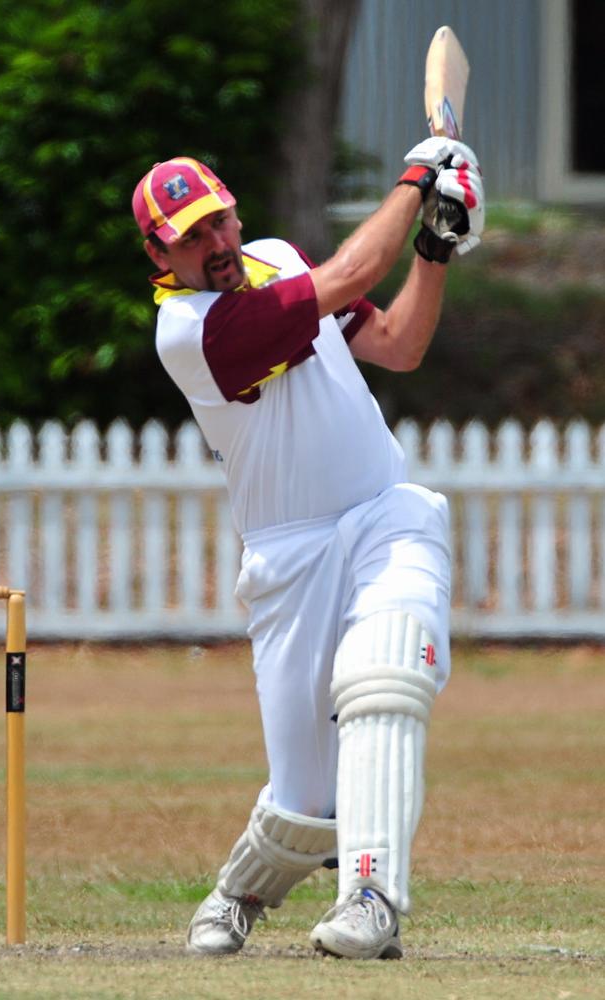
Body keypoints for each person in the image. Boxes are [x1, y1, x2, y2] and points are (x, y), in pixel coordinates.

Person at [131, 141, 484, 960]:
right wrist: (416, 179)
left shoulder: (275, 258)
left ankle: (372, 899)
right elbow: (353, 275)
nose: (216, 243)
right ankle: (239, 890)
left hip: (383, 514)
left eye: (219, 220)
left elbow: (397, 343)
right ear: (159, 255)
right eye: (191, 236)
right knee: (305, 798)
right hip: (289, 558)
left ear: (236, 210)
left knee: (386, 679)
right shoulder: (190, 331)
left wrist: (434, 246)